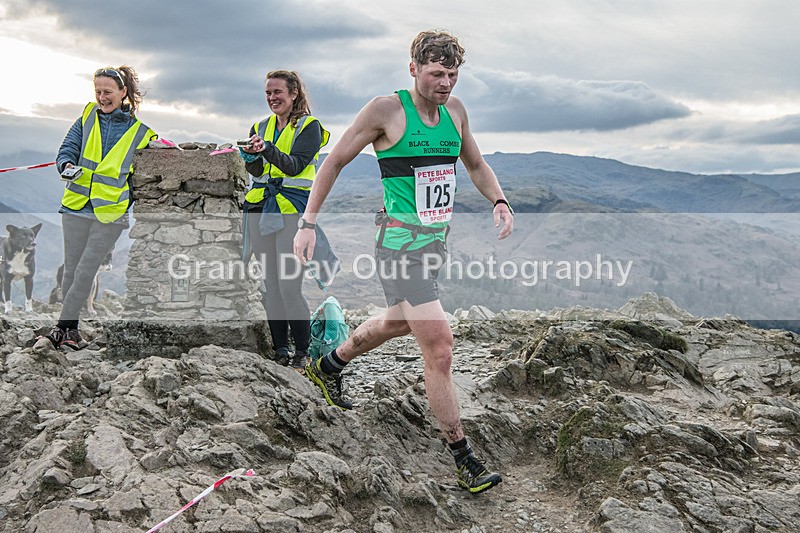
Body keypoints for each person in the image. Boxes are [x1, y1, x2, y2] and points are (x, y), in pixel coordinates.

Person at [294, 30, 513, 494]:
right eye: (436, 73)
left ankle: (328, 365)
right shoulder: (386, 111)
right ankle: (464, 458)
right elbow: (333, 162)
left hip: (433, 245)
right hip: (398, 248)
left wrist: (498, 199)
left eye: (452, 74)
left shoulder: (455, 112)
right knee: (440, 347)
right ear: (413, 68)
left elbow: (475, 164)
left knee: (397, 322)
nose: (445, 83)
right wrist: (307, 223)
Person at [43, 66, 156, 349]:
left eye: (108, 92)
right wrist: (65, 165)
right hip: (76, 205)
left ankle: (61, 328)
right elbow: (67, 150)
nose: (102, 97)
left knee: (86, 270)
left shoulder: (142, 133)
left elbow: (145, 176)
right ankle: (71, 331)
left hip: (110, 213)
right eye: (98, 92)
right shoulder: (86, 117)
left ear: (123, 92)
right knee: (71, 271)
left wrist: (126, 198)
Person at [240, 70, 330, 370]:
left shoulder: (309, 127)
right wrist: (251, 158)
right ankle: (280, 351)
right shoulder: (260, 127)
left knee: (289, 285)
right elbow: (258, 172)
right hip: (261, 209)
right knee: (271, 285)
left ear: (294, 94)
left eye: (277, 92)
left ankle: (302, 352)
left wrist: (267, 149)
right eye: (268, 92)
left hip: (292, 211)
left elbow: (294, 166)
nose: (272, 98)